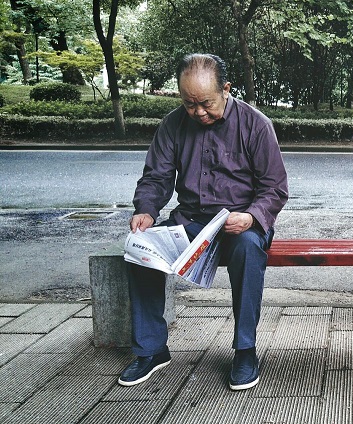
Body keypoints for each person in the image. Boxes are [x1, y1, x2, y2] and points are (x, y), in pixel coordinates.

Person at [118, 53, 289, 391]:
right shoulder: (172, 125)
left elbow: (275, 188)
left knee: (248, 250)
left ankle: (245, 350)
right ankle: (151, 349)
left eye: (206, 103)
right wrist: (146, 210)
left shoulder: (255, 124)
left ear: (226, 89)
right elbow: (156, 177)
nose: (198, 112)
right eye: (189, 104)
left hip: (240, 223)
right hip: (192, 220)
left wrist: (251, 216)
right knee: (141, 248)